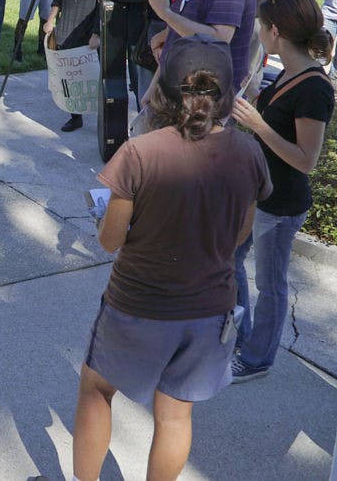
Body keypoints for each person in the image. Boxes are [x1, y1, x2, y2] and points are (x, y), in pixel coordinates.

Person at [73, 35, 271, 481]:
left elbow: (110, 241)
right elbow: (241, 233)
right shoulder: (248, 152)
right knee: (176, 416)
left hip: (137, 305)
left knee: (96, 390)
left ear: (162, 91)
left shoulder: (139, 153)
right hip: (210, 309)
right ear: (227, 93)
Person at [229, 0, 335, 382]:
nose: (258, 31)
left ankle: (258, 359)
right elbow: (276, 114)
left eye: (260, 25)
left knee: (270, 286)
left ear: (275, 30)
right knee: (230, 261)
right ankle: (239, 336)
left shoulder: (314, 87)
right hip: (257, 194)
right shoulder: (289, 70)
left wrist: (257, 124)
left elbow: (306, 160)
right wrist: (254, 92)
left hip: (281, 204)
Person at [42, 0, 113, 131]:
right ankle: (75, 115)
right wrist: (51, 19)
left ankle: (103, 118)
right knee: (68, 77)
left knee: (91, 78)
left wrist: (97, 33)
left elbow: (106, 4)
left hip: (88, 28)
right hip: (67, 26)